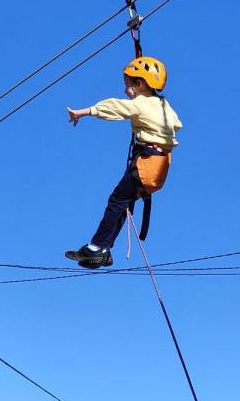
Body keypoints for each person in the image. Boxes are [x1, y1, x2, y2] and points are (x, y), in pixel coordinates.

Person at [65, 56, 182, 268]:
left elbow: (116, 108)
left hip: (146, 164)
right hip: (160, 169)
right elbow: (177, 124)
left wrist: (84, 112)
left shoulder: (140, 104)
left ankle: (95, 248)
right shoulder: (165, 106)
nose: (126, 91)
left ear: (140, 84)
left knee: (116, 200)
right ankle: (103, 249)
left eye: (128, 86)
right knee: (124, 203)